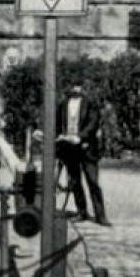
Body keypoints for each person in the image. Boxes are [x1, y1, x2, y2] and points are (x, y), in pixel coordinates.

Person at [54, 82, 109, 226]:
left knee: (93, 181)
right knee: (74, 181)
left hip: (86, 148)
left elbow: (93, 122)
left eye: (78, 85)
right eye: (72, 85)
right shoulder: (63, 104)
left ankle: (100, 216)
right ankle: (81, 212)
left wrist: (81, 137)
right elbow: (58, 123)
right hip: (69, 148)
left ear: (82, 88)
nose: (75, 88)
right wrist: (60, 136)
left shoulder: (90, 103)